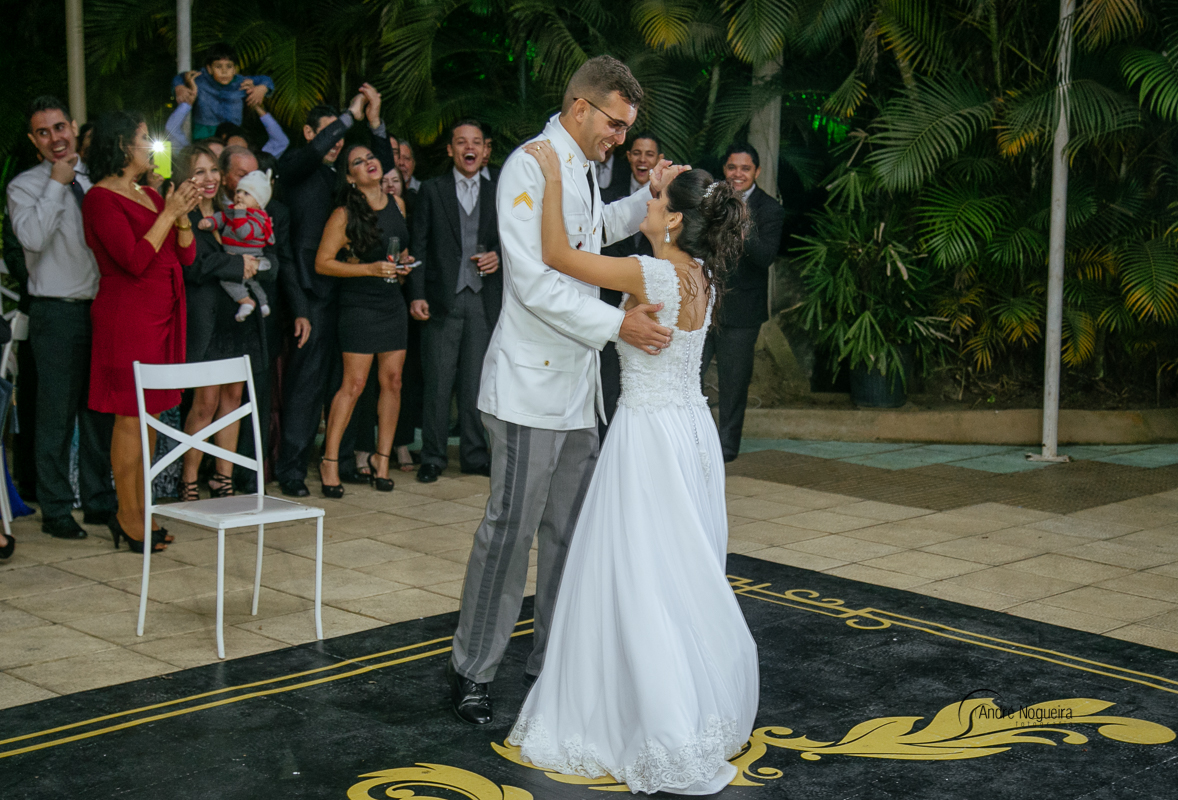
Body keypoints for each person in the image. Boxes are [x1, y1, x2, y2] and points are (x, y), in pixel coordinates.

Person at [510, 142, 758, 797]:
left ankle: (656, 715)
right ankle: (690, 700)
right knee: (679, 571)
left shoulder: (649, 274)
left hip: (648, 435)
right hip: (691, 431)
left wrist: (555, 174)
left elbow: (556, 255)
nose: (647, 200)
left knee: (641, 574)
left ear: (673, 219)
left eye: (656, 198)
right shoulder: (702, 276)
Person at [446, 55, 678, 727]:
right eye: (616, 125)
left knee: (569, 535)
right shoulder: (532, 164)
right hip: (530, 388)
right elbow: (533, 281)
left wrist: (647, 195)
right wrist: (617, 325)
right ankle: (472, 669)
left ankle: (554, 661)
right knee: (510, 532)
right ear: (582, 107)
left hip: (578, 391)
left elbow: (592, 232)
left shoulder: (580, 165)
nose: (621, 139)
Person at [83, 111, 199, 552]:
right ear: (120, 145)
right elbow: (132, 260)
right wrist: (169, 213)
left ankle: (142, 509)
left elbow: (185, 257)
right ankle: (127, 515)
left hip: (163, 312)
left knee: (149, 415)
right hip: (127, 316)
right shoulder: (99, 199)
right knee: (129, 416)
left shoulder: (150, 192)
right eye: (142, 139)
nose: (150, 147)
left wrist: (181, 216)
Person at [6, 95, 118, 540]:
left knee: (98, 414)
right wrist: (56, 182)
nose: (54, 137)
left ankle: (98, 501)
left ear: (72, 126)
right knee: (55, 416)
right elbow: (32, 239)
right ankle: (54, 509)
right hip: (56, 312)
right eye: (43, 132)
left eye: (59, 127)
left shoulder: (100, 178)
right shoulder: (24, 186)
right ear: (34, 140)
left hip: (103, 309)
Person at [274, 84, 395, 497]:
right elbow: (293, 251)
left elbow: (380, 168)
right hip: (312, 294)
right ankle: (291, 469)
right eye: (329, 134)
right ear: (310, 134)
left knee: (345, 385)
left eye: (341, 137)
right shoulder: (296, 168)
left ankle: (340, 462)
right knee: (306, 386)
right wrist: (348, 116)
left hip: (351, 295)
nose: (337, 142)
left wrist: (374, 124)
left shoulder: (343, 179)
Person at [314, 143, 414, 496]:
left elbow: (400, 250)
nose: (369, 163)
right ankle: (329, 461)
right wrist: (369, 268)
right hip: (359, 306)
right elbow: (322, 262)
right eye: (358, 162)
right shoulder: (344, 214)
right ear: (350, 177)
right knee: (354, 385)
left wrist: (403, 264)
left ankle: (381, 461)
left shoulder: (398, 203)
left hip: (392, 303)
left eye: (371, 157)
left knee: (393, 382)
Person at [408, 120, 502, 483]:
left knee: (476, 383)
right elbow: (418, 246)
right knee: (438, 381)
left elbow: (514, 241)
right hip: (441, 299)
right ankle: (432, 457)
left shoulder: (498, 191)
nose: (469, 148)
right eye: (462, 142)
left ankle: (474, 455)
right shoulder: (432, 190)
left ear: (485, 149)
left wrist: (498, 256)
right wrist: (417, 294)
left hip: (482, 300)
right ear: (450, 150)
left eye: (476, 142)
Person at [701, 144, 785, 462]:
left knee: (733, 384)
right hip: (703, 304)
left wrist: (740, 220)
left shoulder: (770, 208)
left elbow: (764, 257)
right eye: (732, 167)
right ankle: (694, 439)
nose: (737, 174)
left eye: (745, 168)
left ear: (757, 172)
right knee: (689, 375)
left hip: (742, 311)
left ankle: (726, 448)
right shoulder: (709, 201)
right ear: (724, 169)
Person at [596, 132, 661, 435]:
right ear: (629, 157)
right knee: (608, 382)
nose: (642, 159)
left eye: (649, 154)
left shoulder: (670, 204)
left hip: (651, 307)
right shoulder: (606, 196)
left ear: (658, 160)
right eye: (637, 153)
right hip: (609, 304)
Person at [197, 169, 275, 321]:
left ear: (258, 202)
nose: (239, 196)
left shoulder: (259, 219)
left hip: (251, 257)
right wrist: (210, 223)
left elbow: (244, 233)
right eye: (239, 191)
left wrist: (240, 215)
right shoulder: (233, 211)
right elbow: (221, 218)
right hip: (235, 256)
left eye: (246, 194)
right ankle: (262, 304)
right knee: (250, 282)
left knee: (232, 280)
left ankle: (247, 301)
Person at [171, 42, 274, 140]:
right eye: (218, 66)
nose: (224, 71)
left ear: (235, 69)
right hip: (205, 134)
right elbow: (180, 77)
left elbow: (266, 79)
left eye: (229, 66)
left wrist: (262, 88)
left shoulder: (241, 82)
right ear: (209, 69)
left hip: (233, 133)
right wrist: (179, 87)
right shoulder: (200, 79)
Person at [166, 78, 289, 158]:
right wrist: (188, 103)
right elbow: (171, 130)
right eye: (232, 151)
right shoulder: (204, 162)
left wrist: (257, 107)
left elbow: (281, 142)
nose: (237, 156)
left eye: (242, 151)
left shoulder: (253, 164)